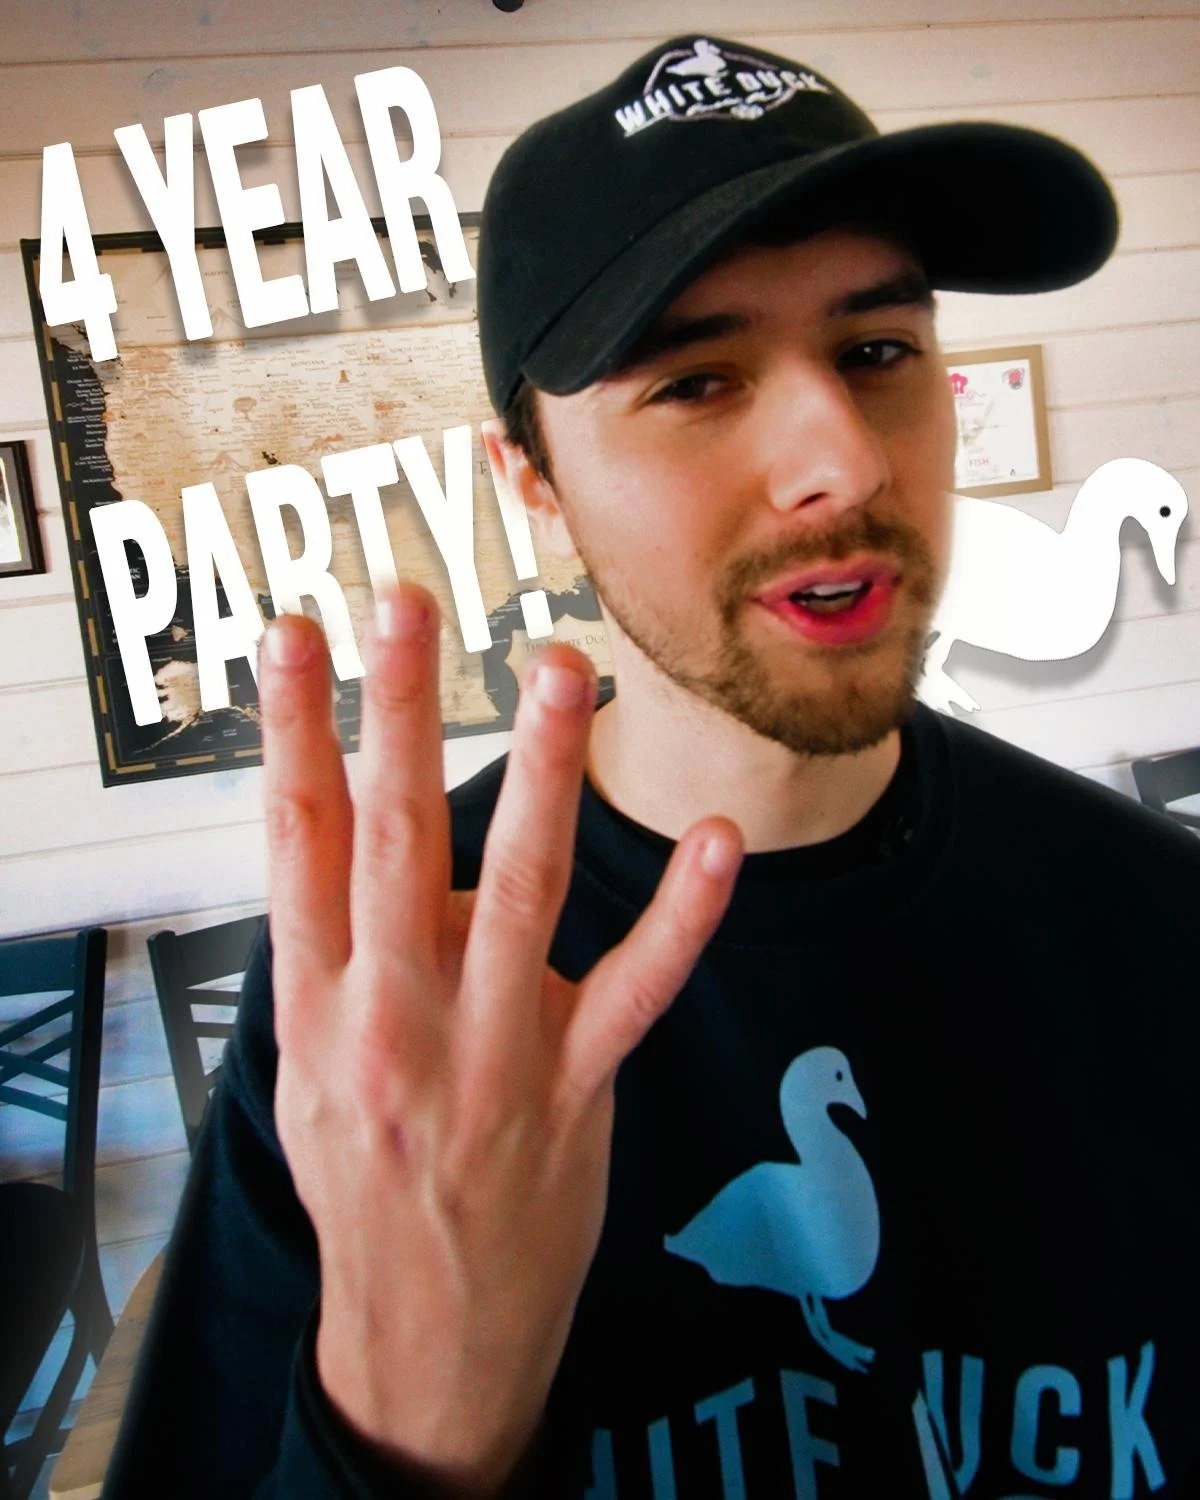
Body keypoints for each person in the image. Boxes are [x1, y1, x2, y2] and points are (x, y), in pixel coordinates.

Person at [103, 34, 1200, 1500]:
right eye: (694, 382)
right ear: (536, 486)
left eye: (878, 352)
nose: (846, 465)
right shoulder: (393, 996)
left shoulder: (1159, 926)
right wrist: (403, 1431)